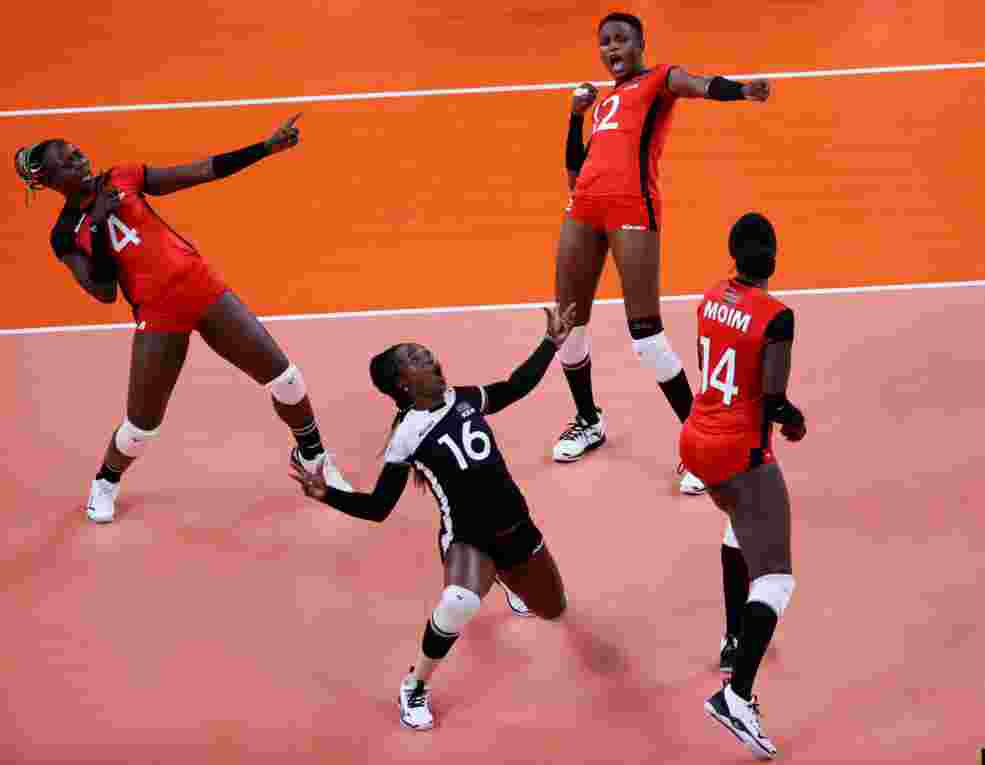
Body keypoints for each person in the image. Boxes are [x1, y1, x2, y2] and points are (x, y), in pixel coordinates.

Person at [13, 116, 350, 523]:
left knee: (287, 379)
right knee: (141, 427)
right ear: (48, 181)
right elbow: (102, 293)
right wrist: (99, 224)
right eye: (66, 162)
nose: (80, 161)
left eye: (77, 152)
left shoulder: (123, 177)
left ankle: (313, 455)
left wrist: (265, 148)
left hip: (203, 289)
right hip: (157, 314)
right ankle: (105, 480)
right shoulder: (66, 233)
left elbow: (201, 171)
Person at [289, 305, 576, 731]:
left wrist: (551, 342)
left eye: (426, 352)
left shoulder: (463, 398)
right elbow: (378, 508)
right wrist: (326, 494)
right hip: (468, 537)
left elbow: (515, 386)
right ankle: (415, 685)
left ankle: (502, 574)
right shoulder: (406, 435)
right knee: (459, 600)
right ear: (403, 383)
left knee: (554, 611)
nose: (430, 358)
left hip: (517, 526)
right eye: (417, 358)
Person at [553, 11, 771, 498]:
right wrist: (574, 115)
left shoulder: (658, 81)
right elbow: (575, 169)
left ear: (640, 43)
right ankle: (588, 421)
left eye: (621, 40)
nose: (612, 50)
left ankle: (700, 443)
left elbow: (698, 84)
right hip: (582, 209)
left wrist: (741, 91)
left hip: (632, 208)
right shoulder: (605, 103)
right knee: (567, 324)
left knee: (645, 334)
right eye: (604, 43)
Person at [679, 213, 805, 760]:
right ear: (767, 255)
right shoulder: (777, 316)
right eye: (767, 247)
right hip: (742, 453)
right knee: (776, 581)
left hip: (697, 441)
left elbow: (716, 368)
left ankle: (734, 640)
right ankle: (737, 695)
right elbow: (773, 402)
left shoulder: (709, 298)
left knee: (738, 527)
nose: (768, 252)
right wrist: (795, 421)